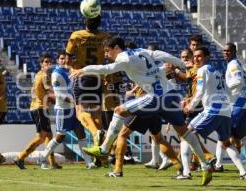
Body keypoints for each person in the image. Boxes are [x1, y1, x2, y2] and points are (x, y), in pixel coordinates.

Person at [72, 36, 213, 186]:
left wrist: (83, 70)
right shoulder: (141, 51)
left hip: (156, 98)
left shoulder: (123, 58)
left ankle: (104, 149)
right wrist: (180, 64)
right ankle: (205, 165)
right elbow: (161, 55)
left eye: (107, 51)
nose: (107, 55)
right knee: (184, 132)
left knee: (119, 111)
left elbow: (106, 69)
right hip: (171, 95)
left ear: (116, 48)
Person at [183, 46, 246, 180]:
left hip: (213, 110)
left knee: (186, 134)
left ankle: (191, 171)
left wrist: (191, 106)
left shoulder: (202, 70)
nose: (196, 58)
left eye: (199, 56)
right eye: (194, 56)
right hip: (225, 111)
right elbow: (225, 90)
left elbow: (200, 91)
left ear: (207, 57)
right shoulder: (217, 71)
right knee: (226, 142)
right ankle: (243, 172)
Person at [106, 85, 182, 177]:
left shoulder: (140, 72)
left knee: (122, 135)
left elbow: (141, 83)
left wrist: (132, 91)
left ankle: (117, 170)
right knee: (159, 139)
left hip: (142, 106)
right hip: (155, 107)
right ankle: (180, 168)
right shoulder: (157, 74)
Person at [39, 50, 95, 169]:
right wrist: (76, 103)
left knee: (81, 133)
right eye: (62, 58)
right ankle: (43, 158)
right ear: (58, 60)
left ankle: (89, 162)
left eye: (66, 58)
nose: (64, 61)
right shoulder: (56, 74)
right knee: (60, 136)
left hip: (73, 110)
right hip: (63, 110)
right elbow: (60, 95)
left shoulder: (69, 72)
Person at [65, 5, 109, 149]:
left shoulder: (77, 35)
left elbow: (68, 60)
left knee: (80, 112)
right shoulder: (105, 37)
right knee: (96, 115)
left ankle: (96, 133)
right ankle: (101, 154)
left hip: (82, 76)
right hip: (97, 77)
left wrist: (72, 68)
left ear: (85, 21)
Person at [214, 43, 246, 173]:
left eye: (228, 50)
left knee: (223, 132)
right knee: (243, 135)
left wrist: (224, 90)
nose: (225, 53)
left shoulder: (233, 64)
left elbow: (238, 80)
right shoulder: (236, 63)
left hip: (238, 102)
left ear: (234, 51)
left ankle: (218, 165)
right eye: (224, 51)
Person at [14, 53, 59, 169]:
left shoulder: (39, 74)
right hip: (39, 108)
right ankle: (20, 157)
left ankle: (52, 162)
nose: (49, 64)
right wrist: (63, 99)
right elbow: (50, 92)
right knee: (41, 137)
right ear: (41, 64)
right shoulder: (44, 76)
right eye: (46, 62)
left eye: (50, 62)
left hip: (39, 107)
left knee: (49, 135)